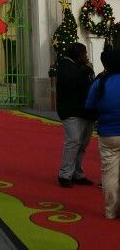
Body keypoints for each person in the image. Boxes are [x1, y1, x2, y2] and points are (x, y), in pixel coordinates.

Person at [85, 48, 120, 218]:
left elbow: (89, 108)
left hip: (108, 134)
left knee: (110, 174)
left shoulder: (100, 83)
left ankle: (111, 211)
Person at [55, 41, 95, 187]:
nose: (86, 56)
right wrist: (85, 71)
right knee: (73, 142)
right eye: (84, 53)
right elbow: (70, 84)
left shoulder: (82, 67)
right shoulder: (65, 66)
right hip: (71, 110)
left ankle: (77, 172)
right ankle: (65, 174)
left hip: (84, 111)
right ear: (78, 55)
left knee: (82, 144)